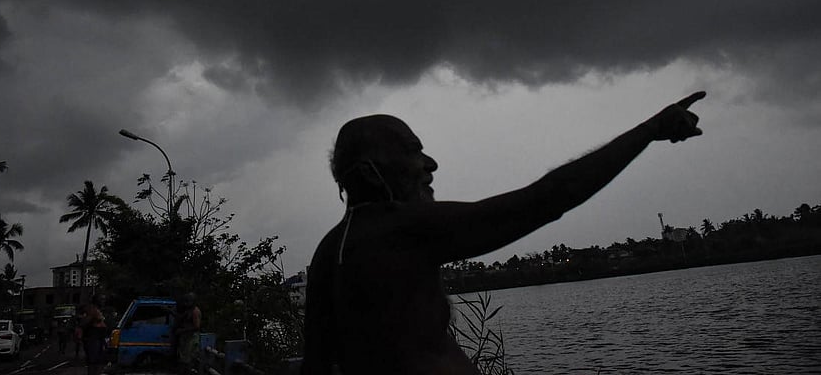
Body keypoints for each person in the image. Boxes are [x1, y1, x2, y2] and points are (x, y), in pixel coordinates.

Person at [301, 92, 706, 375]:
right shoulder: (399, 231)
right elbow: (547, 200)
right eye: (412, 150)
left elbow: (315, 366)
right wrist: (651, 129)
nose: (431, 163)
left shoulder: (329, 251)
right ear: (371, 171)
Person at [173, 292, 202, 375]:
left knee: (188, 361)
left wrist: (182, 330)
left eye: (188, 301)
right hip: (186, 338)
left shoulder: (195, 312)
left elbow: (197, 327)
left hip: (191, 338)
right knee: (183, 359)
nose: (186, 303)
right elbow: (180, 317)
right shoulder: (189, 310)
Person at [80, 294, 107, 375]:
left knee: (98, 361)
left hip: (98, 337)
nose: (103, 301)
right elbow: (84, 322)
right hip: (93, 337)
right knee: (93, 361)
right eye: (101, 299)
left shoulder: (97, 309)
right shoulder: (92, 309)